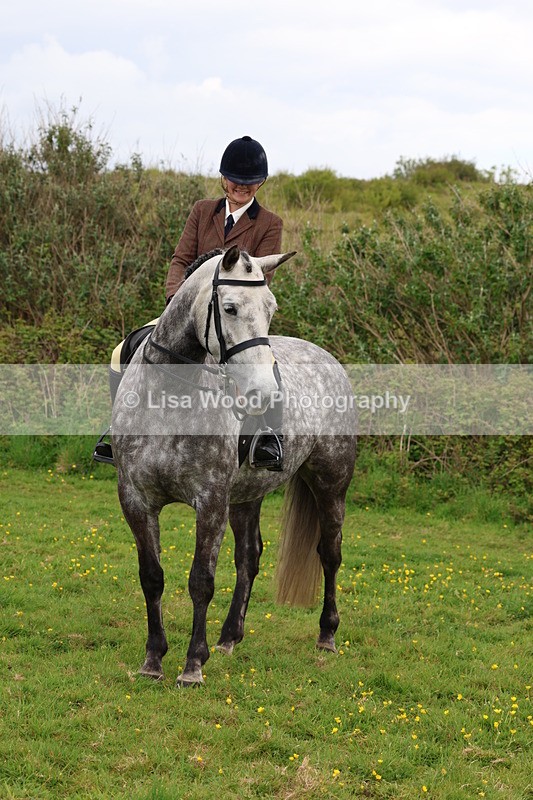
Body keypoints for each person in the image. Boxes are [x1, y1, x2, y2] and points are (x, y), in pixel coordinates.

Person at [94, 136, 284, 470]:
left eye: (250, 182)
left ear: (260, 183)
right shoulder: (201, 210)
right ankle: (118, 430)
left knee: (267, 364)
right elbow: (180, 259)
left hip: (236, 319)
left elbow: (259, 281)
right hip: (186, 313)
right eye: (236, 180)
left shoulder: (269, 224)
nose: (242, 187)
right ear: (223, 179)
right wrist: (175, 302)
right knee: (120, 351)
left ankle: (270, 436)